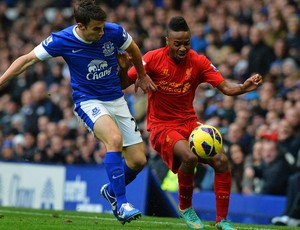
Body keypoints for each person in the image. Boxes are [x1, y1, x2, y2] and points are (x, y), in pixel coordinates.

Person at [0, 0, 157, 225]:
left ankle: (112, 191)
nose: (101, 32)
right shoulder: (62, 39)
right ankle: (122, 204)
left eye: (103, 27)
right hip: (88, 101)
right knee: (114, 139)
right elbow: (27, 60)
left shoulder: (113, 32)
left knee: (138, 161)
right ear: (80, 26)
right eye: (96, 29)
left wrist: (141, 75)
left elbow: (133, 48)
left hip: (116, 99)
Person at [126, 16, 263, 230]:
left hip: (189, 122)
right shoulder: (152, 59)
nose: (182, 48)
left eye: (186, 43)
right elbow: (127, 78)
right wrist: (132, 72)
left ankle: (222, 221)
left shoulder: (198, 61)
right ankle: (186, 208)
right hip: (162, 126)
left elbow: (225, 88)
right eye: (177, 43)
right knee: (189, 157)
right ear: (167, 41)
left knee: (221, 160)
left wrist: (244, 87)